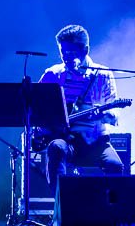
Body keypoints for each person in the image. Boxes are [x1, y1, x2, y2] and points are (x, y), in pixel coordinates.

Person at [37, 24, 123, 186]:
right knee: (56, 147)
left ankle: (108, 210)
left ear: (85, 50)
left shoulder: (103, 75)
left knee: (115, 166)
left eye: (71, 53)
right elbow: (36, 107)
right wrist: (42, 128)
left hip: (96, 142)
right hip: (66, 141)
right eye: (63, 52)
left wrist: (103, 115)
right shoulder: (53, 74)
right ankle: (60, 207)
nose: (66, 57)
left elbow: (115, 117)